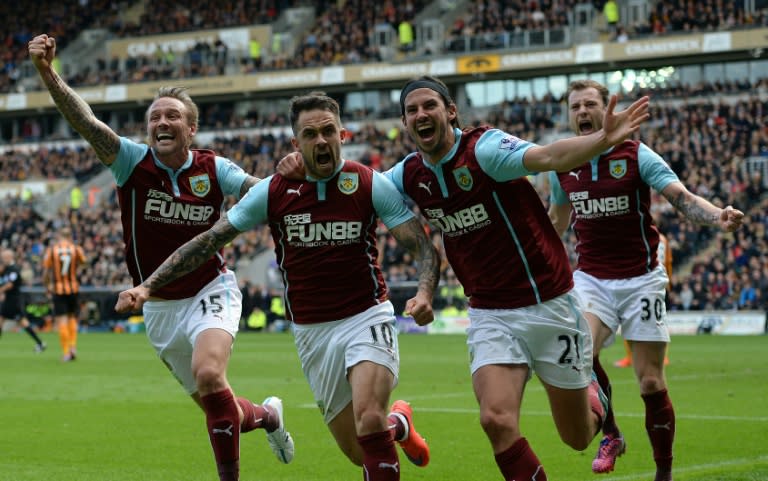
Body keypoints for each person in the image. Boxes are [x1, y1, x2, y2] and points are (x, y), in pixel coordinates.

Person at [278, 75, 650, 481]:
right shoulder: (407, 175)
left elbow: (549, 157)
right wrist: (303, 169)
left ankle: (594, 394)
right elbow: (352, 187)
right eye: (412, 110)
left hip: (548, 301)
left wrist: (601, 140)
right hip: (490, 311)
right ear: (405, 123)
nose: (421, 114)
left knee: (577, 436)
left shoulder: (485, 150)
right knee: (495, 420)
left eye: (429, 106)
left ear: (450, 112)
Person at [116, 92, 441, 481]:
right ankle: (400, 425)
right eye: (310, 134)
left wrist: (424, 293)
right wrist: (148, 286)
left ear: (342, 134)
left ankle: (386, 425)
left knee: (369, 422)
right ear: (295, 143)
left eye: (328, 132)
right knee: (358, 451)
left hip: (366, 316)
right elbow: (208, 240)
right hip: (312, 332)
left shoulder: (368, 183)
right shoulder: (273, 192)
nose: (321, 141)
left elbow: (421, 245)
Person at [29, 33, 294, 481]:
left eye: (173, 115)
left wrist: (288, 174)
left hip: (210, 289)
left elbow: (263, 192)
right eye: (155, 117)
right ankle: (268, 417)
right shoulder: (131, 162)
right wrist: (47, 72)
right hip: (158, 308)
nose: (162, 122)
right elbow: (87, 123)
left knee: (210, 375)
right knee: (220, 408)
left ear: (191, 129)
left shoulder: (215, 168)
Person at [547, 79, 745, 481]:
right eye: (575, 107)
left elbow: (682, 198)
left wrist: (716, 215)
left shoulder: (637, 155)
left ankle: (663, 472)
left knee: (651, 381)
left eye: (590, 105)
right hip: (591, 279)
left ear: (608, 110)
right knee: (581, 355)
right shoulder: (563, 163)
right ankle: (612, 434)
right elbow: (557, 222)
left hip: (641, 279)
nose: (582, 112)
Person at [614, 232, 671, 368]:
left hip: (644, 279)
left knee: (628, 319)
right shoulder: (663, 239)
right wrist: (669, 281)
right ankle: (662, 357)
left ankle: (631, 357)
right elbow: (669, 261)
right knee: (659, 321)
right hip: (659, 279)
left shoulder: (643, 234)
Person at [42, 226, 86, 362]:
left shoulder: (52, 250)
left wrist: (48, 285)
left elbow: (46, 270)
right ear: (70, 236)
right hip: (73, 288)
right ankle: (73, 346)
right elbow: (84, 262)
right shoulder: (76, 248)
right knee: (72, 318)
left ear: (59, 236)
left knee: (61, 320)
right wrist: (77, 272)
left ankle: (66, 352)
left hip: (59, 289)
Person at [0, 249, 47, 352]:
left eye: (3, 257)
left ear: (9, 257)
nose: (2, 259)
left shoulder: (14, 270)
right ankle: (40, 343)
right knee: (3, 320)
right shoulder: (7, 269)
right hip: (8, 299)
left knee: (22, 322)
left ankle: (40, 343)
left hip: (14, 301)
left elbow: (9, 285)